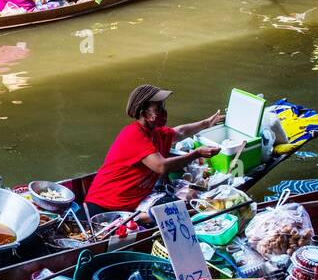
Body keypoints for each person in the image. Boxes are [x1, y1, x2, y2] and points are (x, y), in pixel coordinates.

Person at [84, 85, 223, 215]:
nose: (164, 112)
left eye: (163, 107)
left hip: (134, 200)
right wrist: (196, 154)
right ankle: (141, 218)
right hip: (106, 206)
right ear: (145, 114)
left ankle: (145, 216)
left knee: (184, 199)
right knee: (175, 206)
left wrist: (207, 123)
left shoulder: (156, 133)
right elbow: (161, 166)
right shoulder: (133, 134)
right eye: (158, 109)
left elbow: (180, 132)